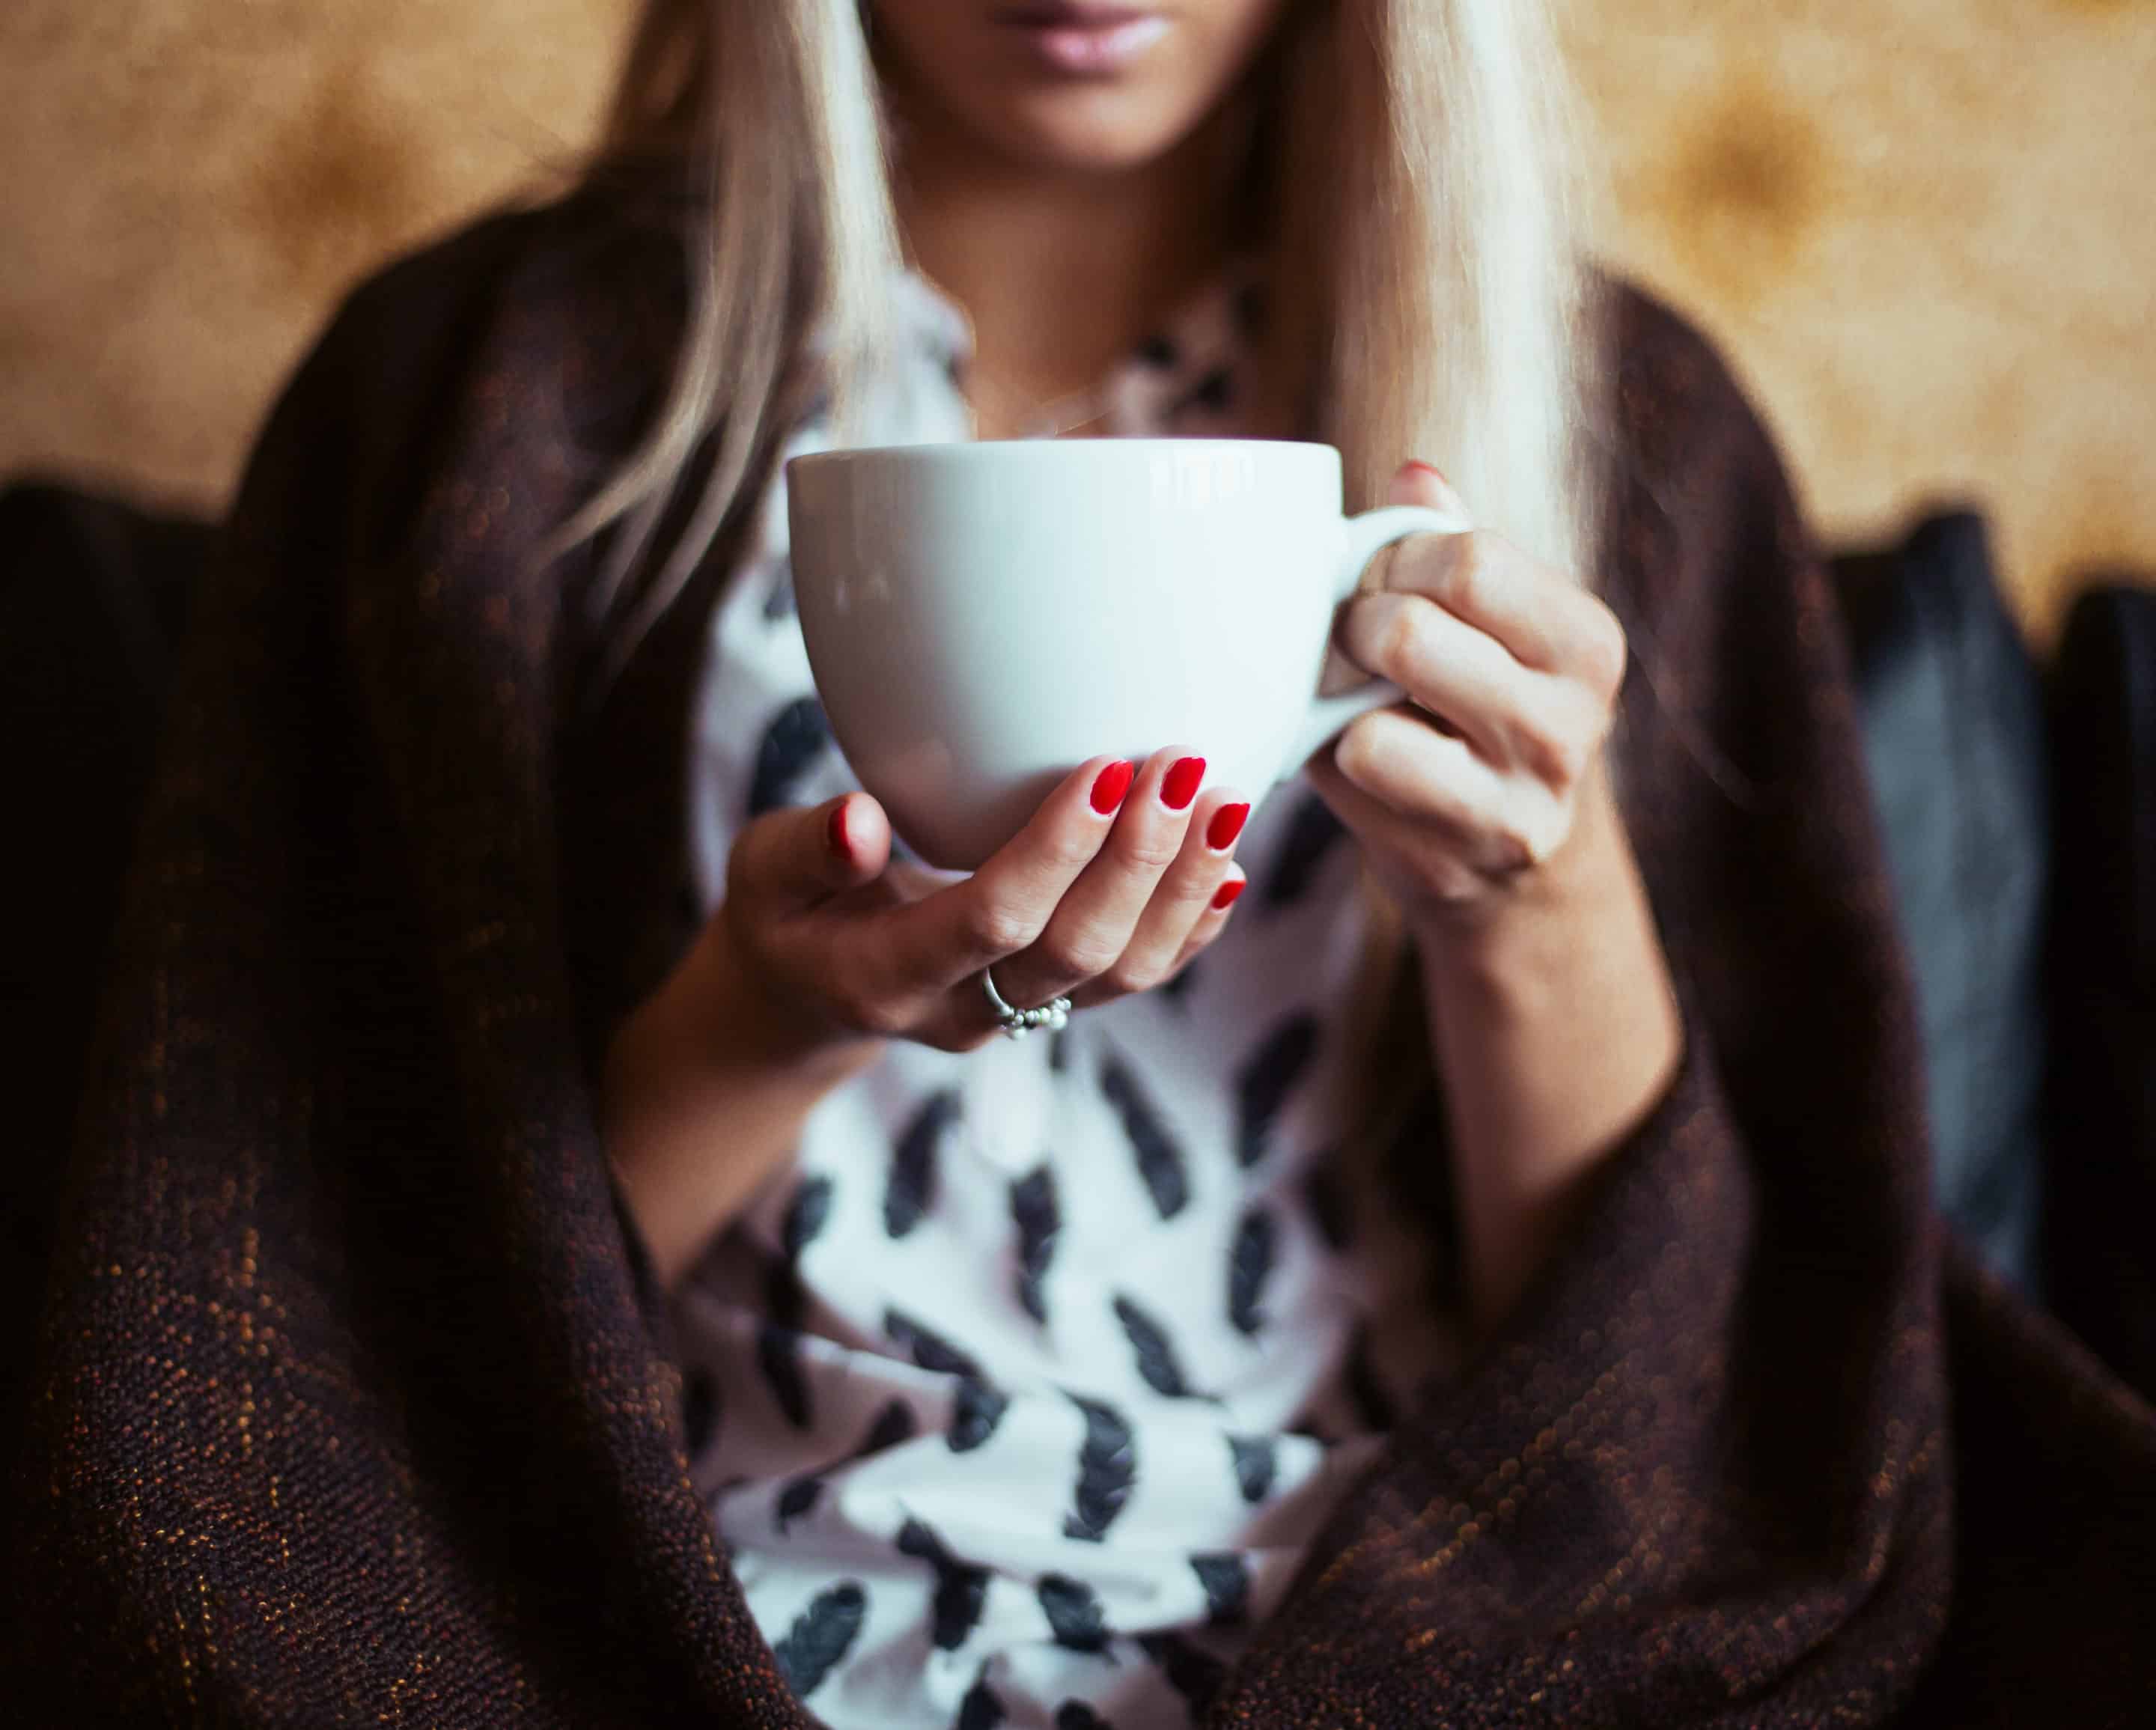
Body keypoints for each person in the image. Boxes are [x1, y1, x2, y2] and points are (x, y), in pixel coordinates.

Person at [7, 2, 2155, 1726]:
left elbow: (1701, 1378)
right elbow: (323, 1313)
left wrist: (1536, 891)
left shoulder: (1620, 432)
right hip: (671, 1613)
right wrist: (775, 1016)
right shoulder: (475, 402)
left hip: (1417, 1633)